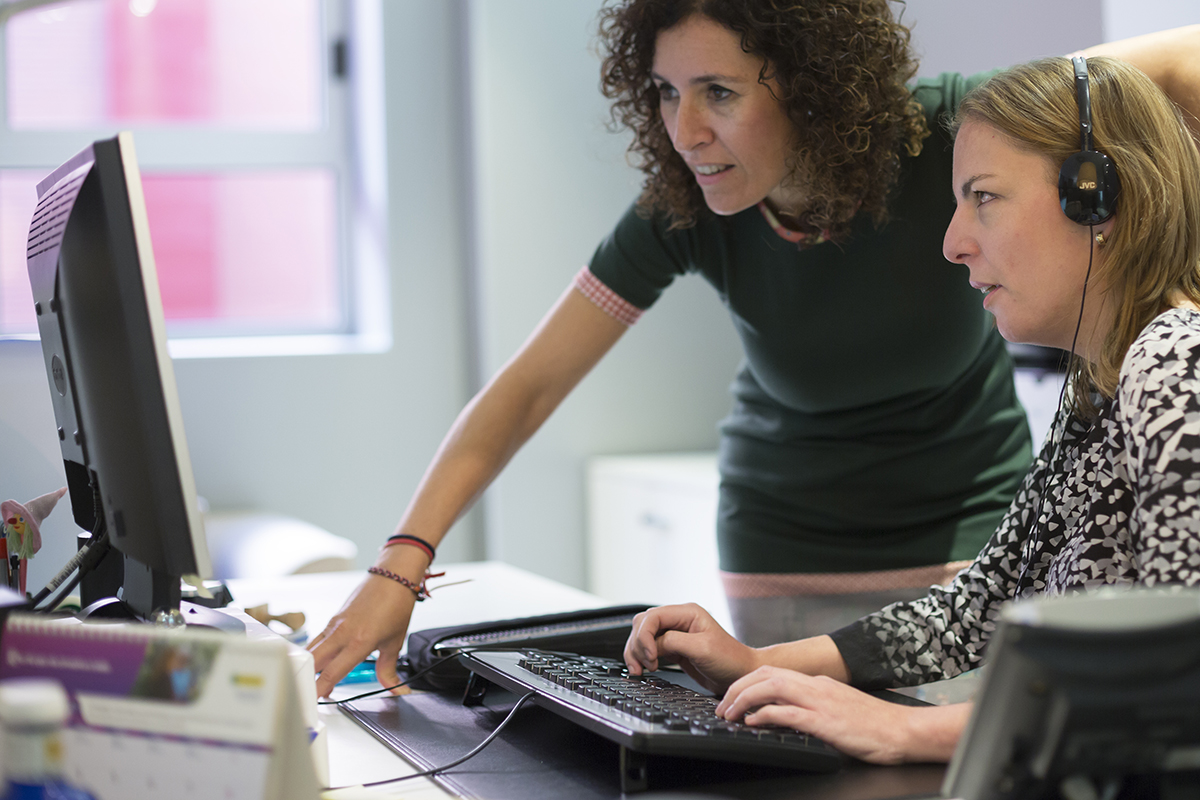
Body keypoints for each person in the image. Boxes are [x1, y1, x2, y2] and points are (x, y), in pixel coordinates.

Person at [307, 0, 1200, 696]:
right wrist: (401, 562)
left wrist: (1171, 282)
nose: (684, 129)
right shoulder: (686, 209)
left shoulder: (953, 134)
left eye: (719, 92)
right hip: (789, 549)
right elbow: (530, 386)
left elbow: (1168, 66)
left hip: (963, 535)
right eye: (664, 92)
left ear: (811, 81)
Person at [623, 53, 1200, 764]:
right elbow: (972, 610)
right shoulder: (1099, 383)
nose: (954, 243)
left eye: (983, 197)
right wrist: (754, 660)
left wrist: (907, 730)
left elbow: (1181, 672)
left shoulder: (1176, 365)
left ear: (1097, 200)